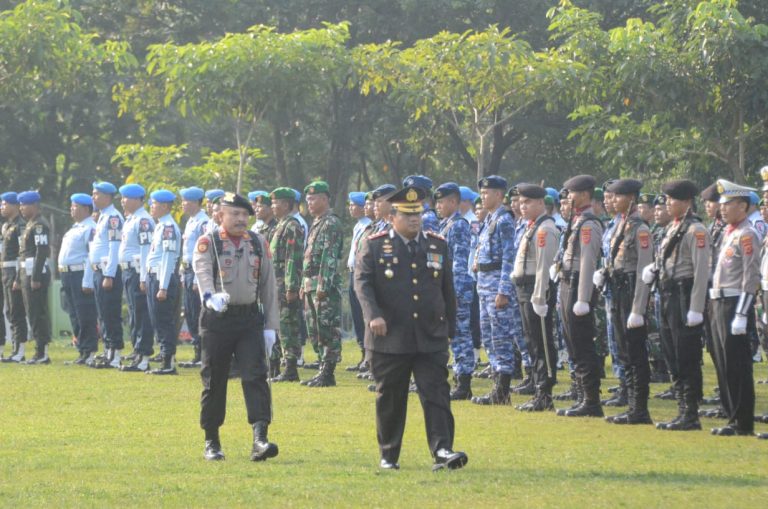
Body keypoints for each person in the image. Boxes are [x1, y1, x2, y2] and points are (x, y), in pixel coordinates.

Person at [355, 184, 467, 471]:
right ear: (393, 217)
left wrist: (451, 329)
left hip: (430, 334)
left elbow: (447, 289)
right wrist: (373, 315)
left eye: (417, 214)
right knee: (391, 396)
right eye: (407, 215)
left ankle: (442, 449)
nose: (414, 220)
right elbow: (363, 283)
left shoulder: (436, 244)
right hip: (390, 335)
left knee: (437, 393)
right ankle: (389, 454)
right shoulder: (376, 243)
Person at [193, 192, 280, 461]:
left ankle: (260, 439)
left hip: (249, 319)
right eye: (235, 214)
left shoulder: (257, 242)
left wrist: (271, 326)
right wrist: (209, 298)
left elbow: (269, 285)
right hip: (218, 319)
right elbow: (202, 273)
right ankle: (212, 441)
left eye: (245, 214)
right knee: (214, 379)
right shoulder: (208, 243)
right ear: (220, 215)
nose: (241, 219)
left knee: (256, 376)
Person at [644, 180, 708, 431]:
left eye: (673, 199)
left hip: (685, 294)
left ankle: (690, 412)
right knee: (671, 353)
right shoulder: (674, 228)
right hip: (668, 293)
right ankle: (682, 409)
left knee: (686, 355)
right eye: (667, 199)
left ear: (687, 202)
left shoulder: (695, 230)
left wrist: (696, 307)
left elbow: (701, 271)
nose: (668, 203)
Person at [598, 179, 654, 425]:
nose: (612, 200)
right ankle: (632, 406)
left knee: (635, 353)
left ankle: (639, 409)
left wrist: (638, 308)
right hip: (618, 290)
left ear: (631, 198)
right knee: (623, 352)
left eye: (618, 196)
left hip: (632, 292)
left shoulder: (640, 229)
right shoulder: (621, 225)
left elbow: (643, 270)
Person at [708, 179, 759, 437]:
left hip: (734, 303)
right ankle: (731, 416)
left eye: (728, 204)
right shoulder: (729, 233)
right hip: (718, 300)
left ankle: (742, 421)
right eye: (722, 204)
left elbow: (750, 277)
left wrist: (741, 313)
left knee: (737, 364)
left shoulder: (748, 234)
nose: (722, 209)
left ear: (743, 205)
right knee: (723, 362)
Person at [554, 175, 604, 418]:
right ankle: (583, 396)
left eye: (572, 193)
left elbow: (587, 262)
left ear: (584, 194)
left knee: (582, 344)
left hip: (577, 287)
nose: (569, 197)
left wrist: (583, 297)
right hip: (567, 283)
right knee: (572, 343)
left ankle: (592, 400)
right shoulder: (576, 221)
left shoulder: (589, 224)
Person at [512, 184, 560, 412]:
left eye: (528, 202)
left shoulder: (545, 229)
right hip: (524, 288)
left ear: (541, 203)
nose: (523, 207)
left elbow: (543, 267)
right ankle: (538, 386)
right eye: (521, 202)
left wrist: (539, 297)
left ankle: (545, 391)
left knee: (541, 342)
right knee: (531, 340)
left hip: (535, 290)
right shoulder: (531, 226)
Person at [471, 176, 517, 405]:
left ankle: (503, 389)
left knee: (501, 338)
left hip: (497, 286)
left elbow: (510, 257)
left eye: (487, 193)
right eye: (482, 192)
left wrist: (504, 290)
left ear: (499, 195)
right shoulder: (489, 219)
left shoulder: (504, 220)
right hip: (484, 285)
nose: (483, 196)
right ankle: (496, 384)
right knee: (489, 337)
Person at [301, 181, 344, 387]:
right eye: (308, 199)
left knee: (327, 327)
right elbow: (309, 258)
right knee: (314, 329)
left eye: (313, 198)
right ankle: (321, 368)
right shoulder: (317, 222)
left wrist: (323, 285)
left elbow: (329, 256)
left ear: (325, 199)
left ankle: (328, 372)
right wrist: (303, 283)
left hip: (323, 285)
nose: (309, 203)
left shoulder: (330, 223)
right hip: (311, 283)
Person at [433, 182, 474, 400]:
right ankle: (459, 377)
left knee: (460, 335)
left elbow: (459, 262)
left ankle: (464, 381)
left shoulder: (458, 225)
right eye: (437, 202)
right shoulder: (445, 225)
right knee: (453, 334)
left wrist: (454, 293)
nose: (438, 206)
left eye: (441, 201)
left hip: (457, 289)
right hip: (447, 289)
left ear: (453, 202)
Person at [268, 187, 305, 383]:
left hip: (284, 284)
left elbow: (293, 258)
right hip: (276, 283)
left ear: (287, 205)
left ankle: (290, 367)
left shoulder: (292, 226)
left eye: (276, 203)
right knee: (278, 325)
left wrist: (291, 287)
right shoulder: (280, 225)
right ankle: (278, 364)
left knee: (287, 325)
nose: (273, 206)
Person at [117, 184, 155, 371]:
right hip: (128, 271)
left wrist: (143, 277)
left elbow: (146, 250)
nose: (123, 201)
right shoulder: (132, 219)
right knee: (134, 313)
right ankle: (138, 351)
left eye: (126, 198)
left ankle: (144, 356)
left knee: (141, 314)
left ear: (137, 200)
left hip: (137, 271)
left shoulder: (143, 221)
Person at [58, 194, 98, 365]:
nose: (71, 209)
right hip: (67, 274)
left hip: (80, 274)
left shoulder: (90, 228)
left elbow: (91, 256)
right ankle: (81, 348)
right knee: (73, 312)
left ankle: (88, 350)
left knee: (85, 313)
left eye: (75, 206)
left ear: (86, 209)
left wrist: (87, 280)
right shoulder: (74, 228)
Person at [89, 181, 125, 368]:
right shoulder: (103, 216)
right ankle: (108, 350)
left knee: (110, 313)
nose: (93, 197)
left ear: (107, 196)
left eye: (96, 194)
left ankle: (115, 353)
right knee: (103, 313)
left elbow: (114, 248)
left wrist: (109, 275)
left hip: (107, 272)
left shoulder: (113, 217)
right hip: (99, 271)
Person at [146, 189, 182, 375]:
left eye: (155, 204)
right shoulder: (160, 226)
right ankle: (164, 355)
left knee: (164, 320)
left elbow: (168, 259)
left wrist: (163, 287)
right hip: (155, 276)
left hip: (163, 278)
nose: (151, 207)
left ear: (165, 206)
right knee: (157, 320)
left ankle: (168, 362)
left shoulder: (168, 228)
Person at [18, 191, 52, 364]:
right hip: (27, 273)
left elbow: (41, 251)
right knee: (32, 313)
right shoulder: (30, 224)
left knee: (38, 313)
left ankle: (43, 352)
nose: (21, 208)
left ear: (33, 205)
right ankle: (39, 350)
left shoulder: (39, 224)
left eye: (24, 204)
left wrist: (36, 277)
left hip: (35, 274)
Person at [178, 187, 209, 369]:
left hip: (197, 272)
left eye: (187, 201)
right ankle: (197, 351)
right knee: (189, 312)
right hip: (188, 271)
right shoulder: (190, 222)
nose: (183, 204)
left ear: (197, 202)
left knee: (198, 313)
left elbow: (202, 253)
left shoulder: (202, 222)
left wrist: (198, 280)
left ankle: (204, 352)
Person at [345, 191, 372, 372]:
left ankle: (368, 356)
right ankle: (363, 353)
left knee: (364, 315)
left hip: (361, 273)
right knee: (356, 314)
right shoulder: (358, 226)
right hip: (352, 273)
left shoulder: (369, 225)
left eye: (354, 205)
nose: (351, 208)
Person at [0, 192, 28, 362]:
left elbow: (21, 253)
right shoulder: (5, 226)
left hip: (13, 271)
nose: (2, 208)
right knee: (8, 311)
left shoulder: (20, 225)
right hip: (4, 271)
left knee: (16, 311)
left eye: (4, 204)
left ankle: (20, 349)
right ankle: (5, 347)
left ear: (15, 205)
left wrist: (18, 277)